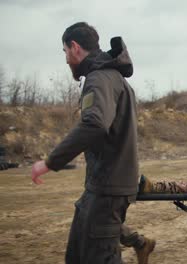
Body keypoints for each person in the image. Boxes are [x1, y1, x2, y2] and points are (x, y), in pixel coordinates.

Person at [30, 22, 154, 264]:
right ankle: (140, 243)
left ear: (75, 47)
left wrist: (50, 162)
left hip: (109, 189)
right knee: (77, 256)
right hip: (102, 186)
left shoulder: (99, 78)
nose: (66, 59)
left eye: (65, 51)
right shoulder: (110, 76)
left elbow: (95, 124)